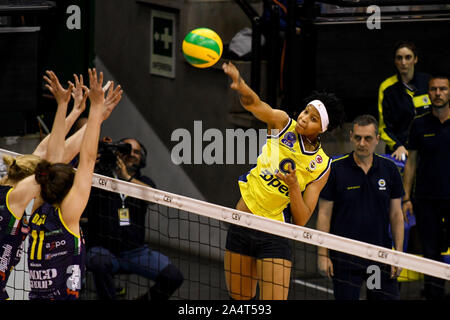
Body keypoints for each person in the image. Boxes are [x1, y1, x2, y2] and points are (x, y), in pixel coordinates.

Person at [222, 61, 344, 300]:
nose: (305, 118)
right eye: (307, 111)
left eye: (314, 118)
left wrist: (294, 186)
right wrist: (242, 86)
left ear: (322, 129)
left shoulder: (321, 165)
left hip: (274, 235)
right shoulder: (281, 124)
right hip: (242, 223)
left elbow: (301, 220)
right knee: (239, 300)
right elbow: (255, 105)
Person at [27, 68, 123, 300]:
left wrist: (72, 109)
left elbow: (52, 158)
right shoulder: (69, 214)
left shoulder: (37, 204)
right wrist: (96, 110)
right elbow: (88, 158)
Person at [0, 69, 90, 300]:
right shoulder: (15, 199)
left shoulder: (11, 190)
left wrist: (75, 112)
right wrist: (94, 117)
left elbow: (45, 155)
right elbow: (54, 161)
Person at [316, 114, 404, 300]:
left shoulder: (389, 169)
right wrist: (322, 255)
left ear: (377, 139)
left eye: (368, 138)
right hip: (345, 260)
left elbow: (396, 214)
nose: (362, 143)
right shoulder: (335, 169)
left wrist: (398, 253)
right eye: (357, 137)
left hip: (378, 260)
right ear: (351, 137)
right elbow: (324, 214)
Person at [84, 137, 184, 300]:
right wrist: (90, 165)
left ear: (142, 157)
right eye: (126, 149)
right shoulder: (101, 178)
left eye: (136, 151)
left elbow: (153, 197)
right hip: (104, 250)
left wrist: (127, 178)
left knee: (173, 276)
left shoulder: (144, 182)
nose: (132, 154)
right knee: (98, 262)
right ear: (118, 154)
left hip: (136, 253)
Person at [402, 73, 450, 300]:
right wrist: (406, 198)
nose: (438, 93)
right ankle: (434, 294)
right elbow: (410, 163)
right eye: (434, 89)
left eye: (443, 89)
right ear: (428, 93)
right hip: (425, 199)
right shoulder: (419, 124)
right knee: (430, 252)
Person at [378, 41, 431, 161]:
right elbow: (384, 127)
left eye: (408, 57)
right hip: (400, 152)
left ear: (415, 59)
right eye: (399, 58)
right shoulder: (387, 88)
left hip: (427, 148)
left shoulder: (428, 82)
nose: (403, 62)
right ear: (395, 61)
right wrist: (397, 146)